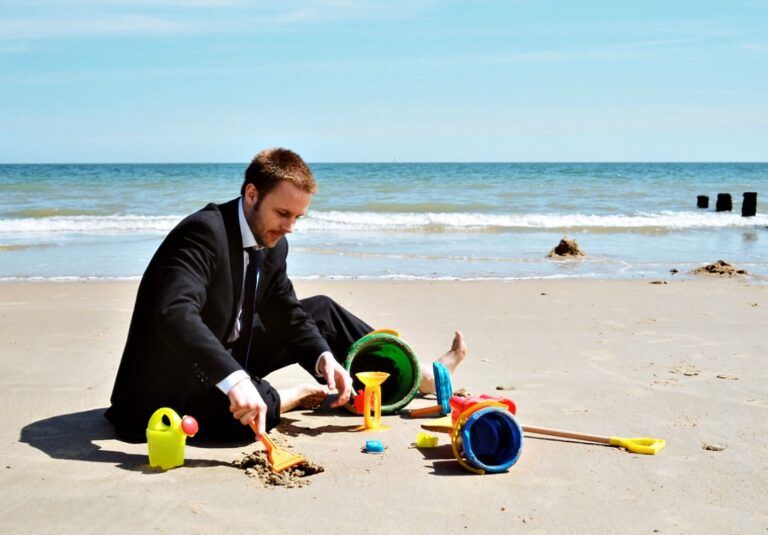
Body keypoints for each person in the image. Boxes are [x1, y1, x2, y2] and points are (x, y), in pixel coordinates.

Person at [105, 148, 465, 442]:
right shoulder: (204, 232)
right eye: (282, 213)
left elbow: (286, 312)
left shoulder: (274, 243)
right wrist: (236, 379)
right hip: (167, 386)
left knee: (320, 312)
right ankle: (292, 397)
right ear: (251, 194)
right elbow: (176, 313)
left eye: (298, 217)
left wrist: (323, 358)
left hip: (233, 351)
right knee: (246, 417)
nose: (290, 226)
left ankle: (420, 378)